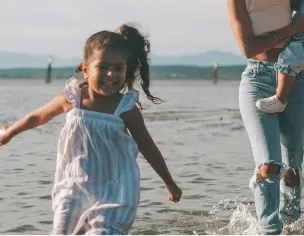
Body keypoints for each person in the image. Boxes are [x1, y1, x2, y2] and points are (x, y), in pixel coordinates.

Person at [0, 24, 182, 235]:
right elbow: (37, 117)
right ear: (85, 69)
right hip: (73, 188)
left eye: (118, 68)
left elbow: (147, 146)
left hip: (115, 192)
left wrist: (169, 182)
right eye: (103, 66)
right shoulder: (72, 99)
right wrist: (9, 131)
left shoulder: (125, 109)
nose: (111, 74)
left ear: (127, 70)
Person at [227, 0, 304, 235]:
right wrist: (292, 29)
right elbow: (249, 48)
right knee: (270, 165)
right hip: (257, 80)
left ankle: (291, 225)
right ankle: (269, 230)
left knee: (292, 169)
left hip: (295, 80)